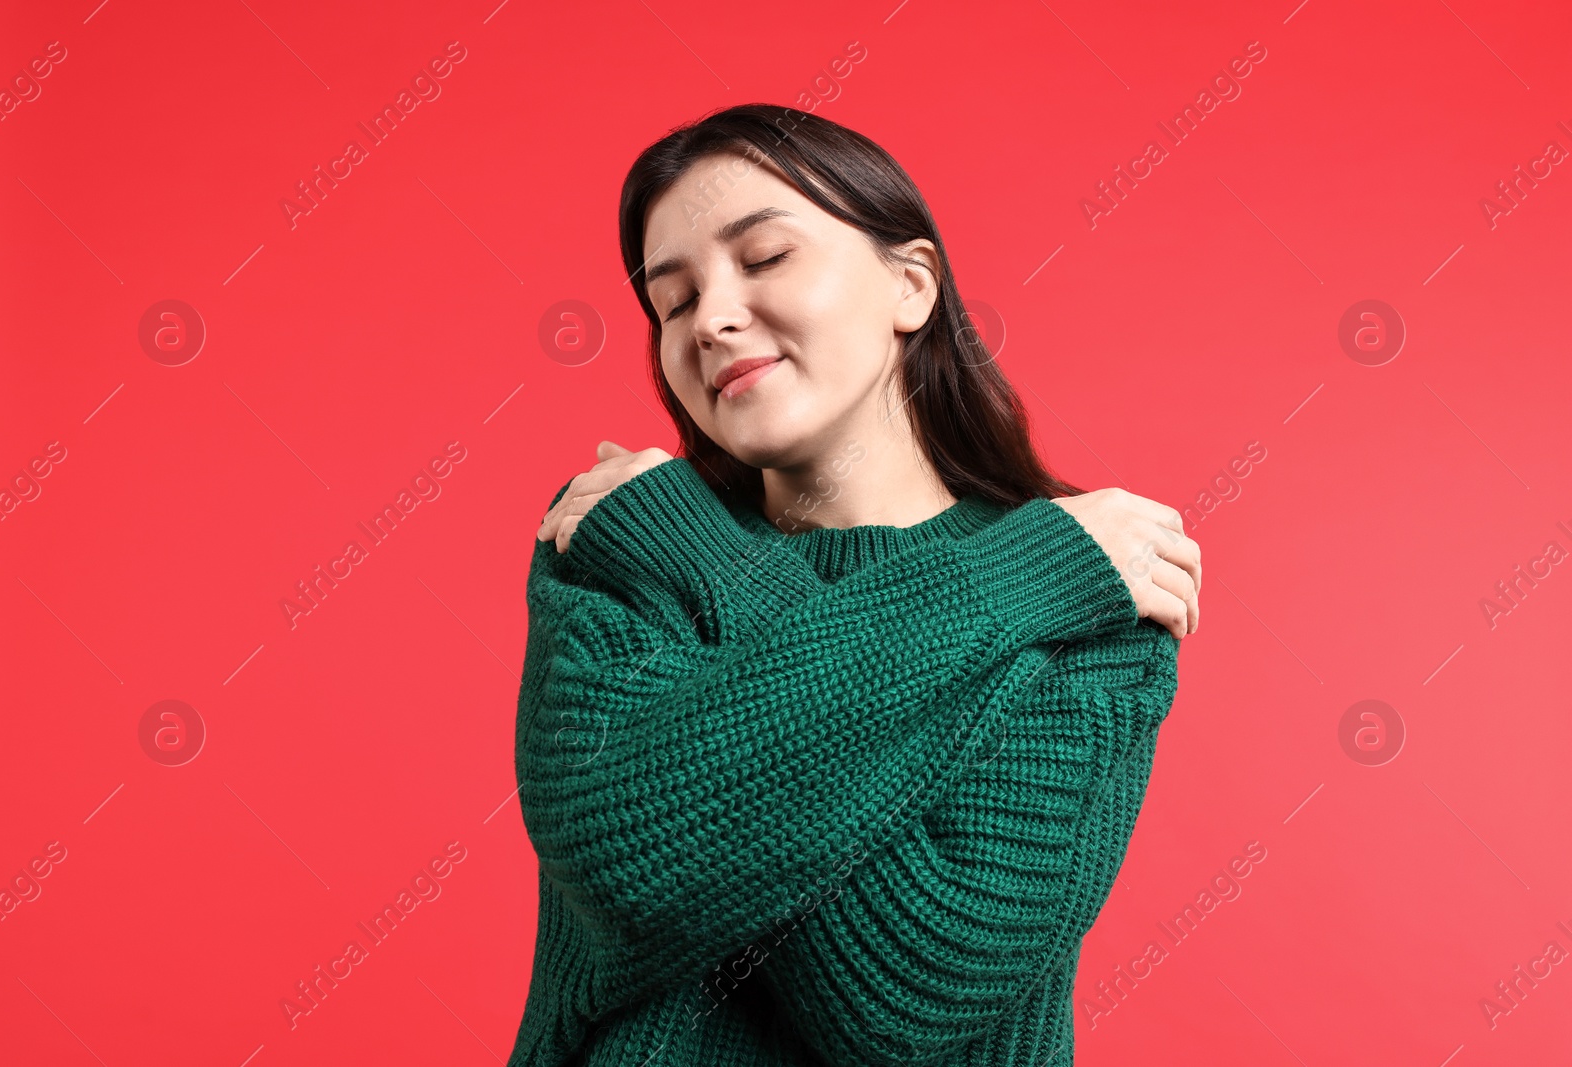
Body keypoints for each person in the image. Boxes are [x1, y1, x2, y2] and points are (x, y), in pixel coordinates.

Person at [512, 103, 1201, 1067]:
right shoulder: (618, 548)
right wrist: (1007, 580)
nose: (709, 319)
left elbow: (909, 990)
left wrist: (710, 565)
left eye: (763, 259)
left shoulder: (1092, 610)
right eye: (671, 301)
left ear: (909, 284)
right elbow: (625, 860)